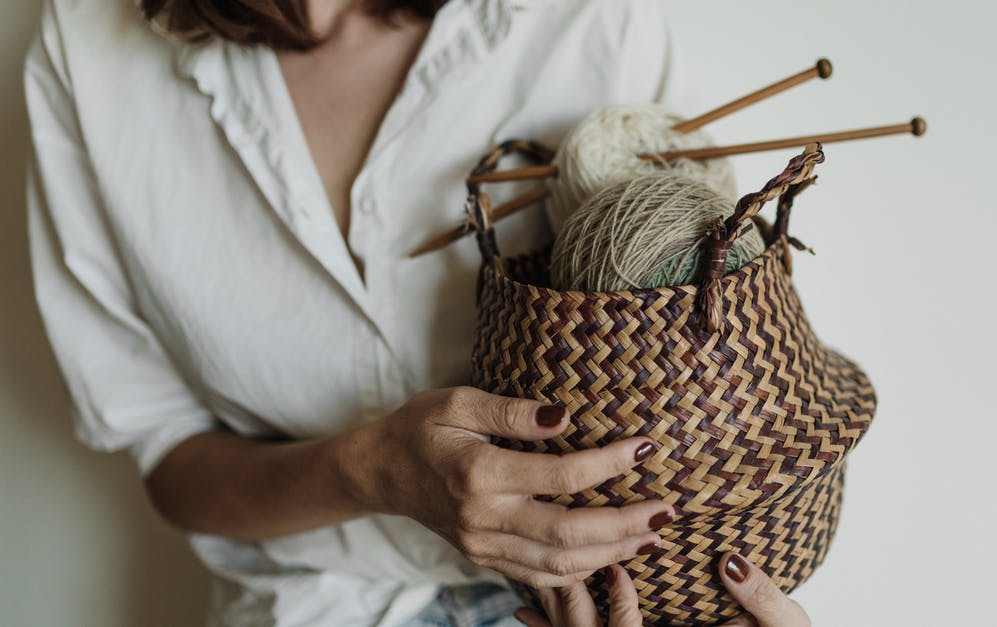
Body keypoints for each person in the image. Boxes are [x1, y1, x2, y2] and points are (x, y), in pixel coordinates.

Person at [24, 0, 813, 624]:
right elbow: (168, 453)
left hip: (606, 603)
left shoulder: (581, 22)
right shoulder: (89, 52)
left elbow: (724, 344)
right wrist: (369, 469)